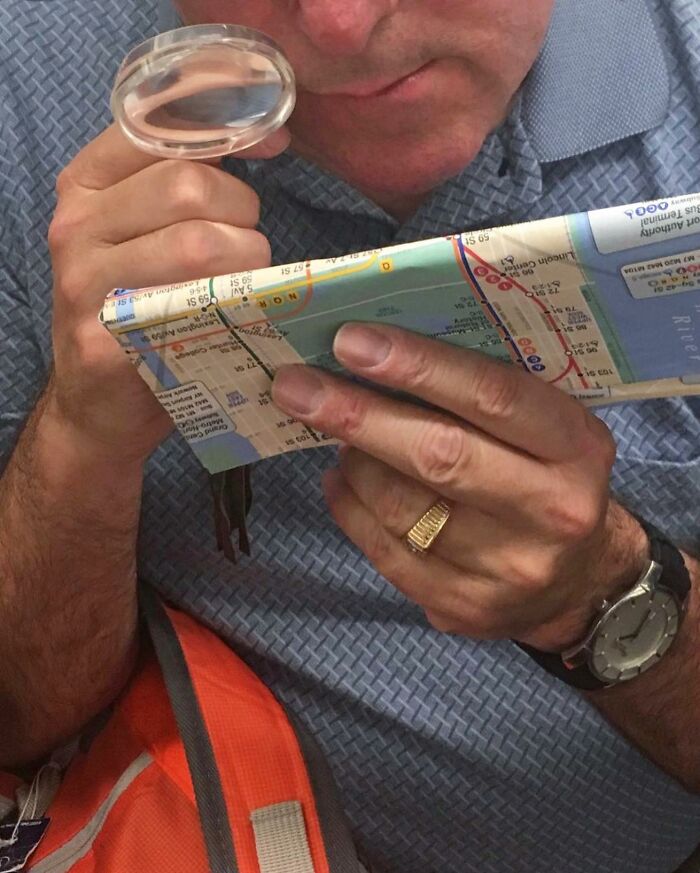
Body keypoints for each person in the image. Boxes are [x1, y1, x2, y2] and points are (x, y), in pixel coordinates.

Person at [1, 0, 700, 871]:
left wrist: (613, 594)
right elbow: (19, 716)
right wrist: (81, 438)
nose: (338, 23)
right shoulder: (22, 82)